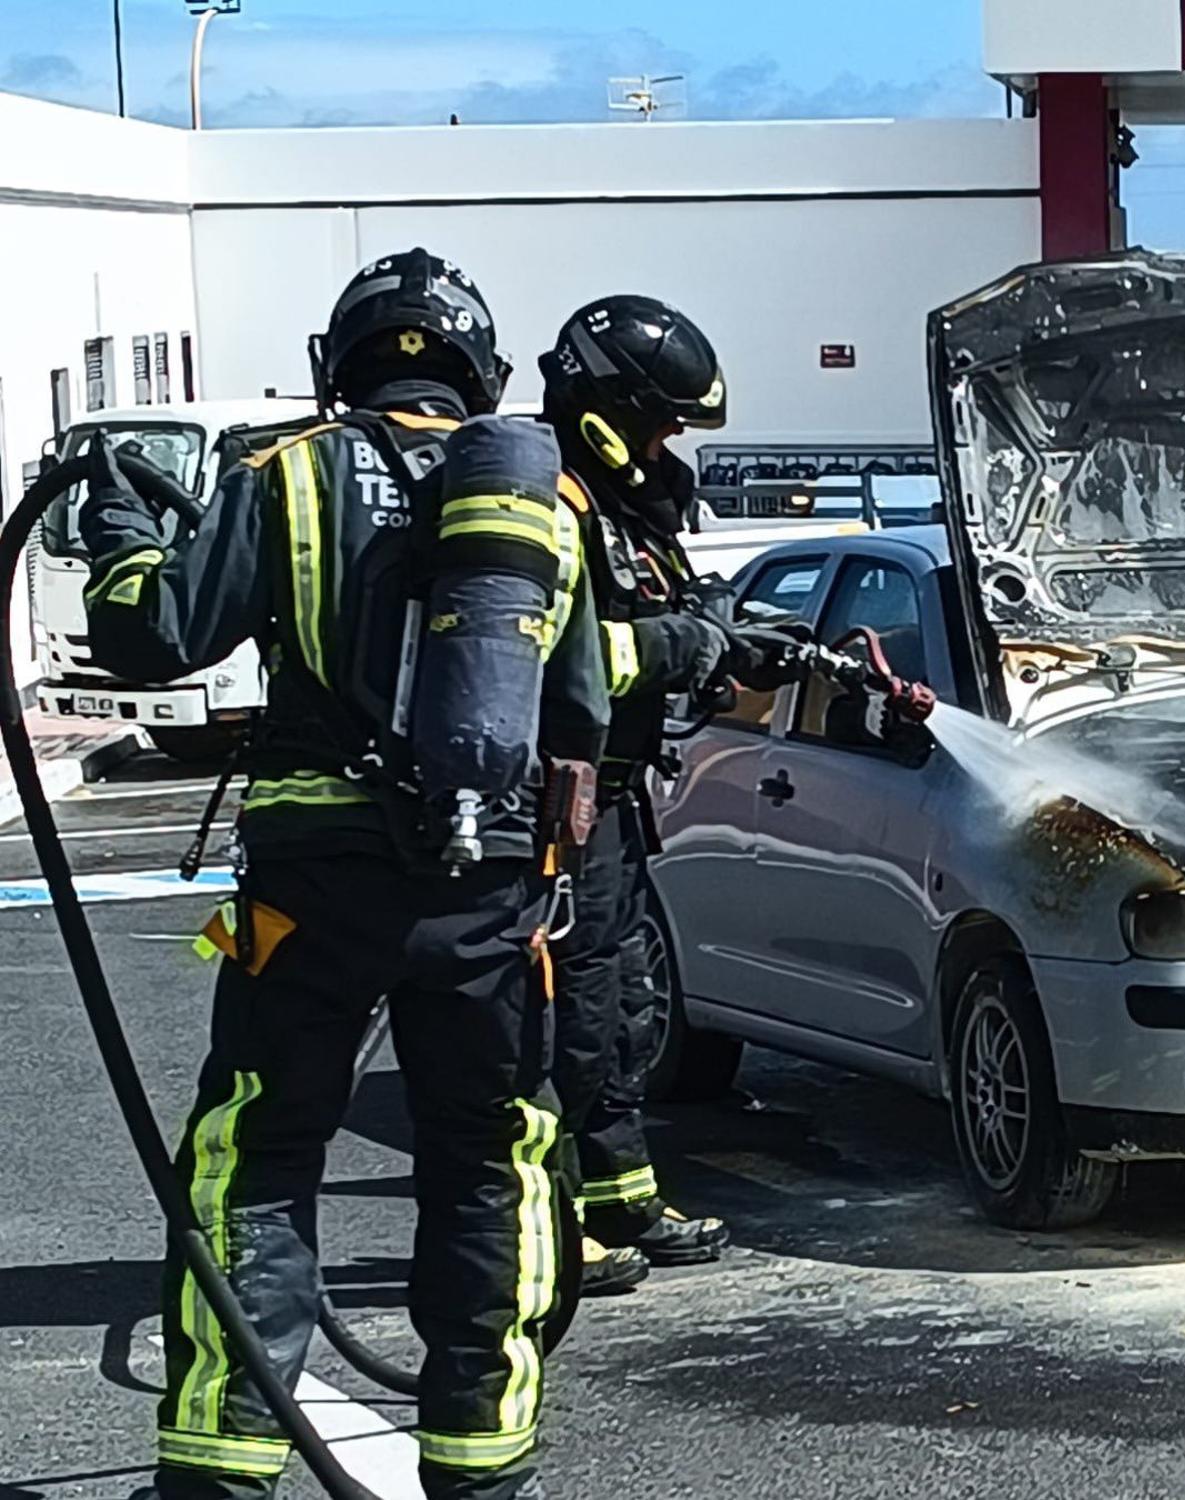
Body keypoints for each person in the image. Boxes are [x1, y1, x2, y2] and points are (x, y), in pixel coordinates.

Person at [81, 249, 609, 1500]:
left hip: (310, 890)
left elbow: (152, 635)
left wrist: (120, 524)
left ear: (341, 362)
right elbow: (589, 709)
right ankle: (483, 1469)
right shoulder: (545, 500)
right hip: (485, 895)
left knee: (255, 1156)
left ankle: (220, 1465)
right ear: (477, 373)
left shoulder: (285, 471)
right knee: (495, 1160)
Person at [538, 295, 753, 1294]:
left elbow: (658, 617)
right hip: (549, 813)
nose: (669, 443)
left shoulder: (628, 508)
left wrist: (717, 640)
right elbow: (547, 659)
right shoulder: (544, 504)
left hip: (615, 805)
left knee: (620, 1006)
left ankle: (621, 1197)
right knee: (562, 1022)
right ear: (606, 407)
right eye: (660, 421)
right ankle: (551, 1229)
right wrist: (670, 645)